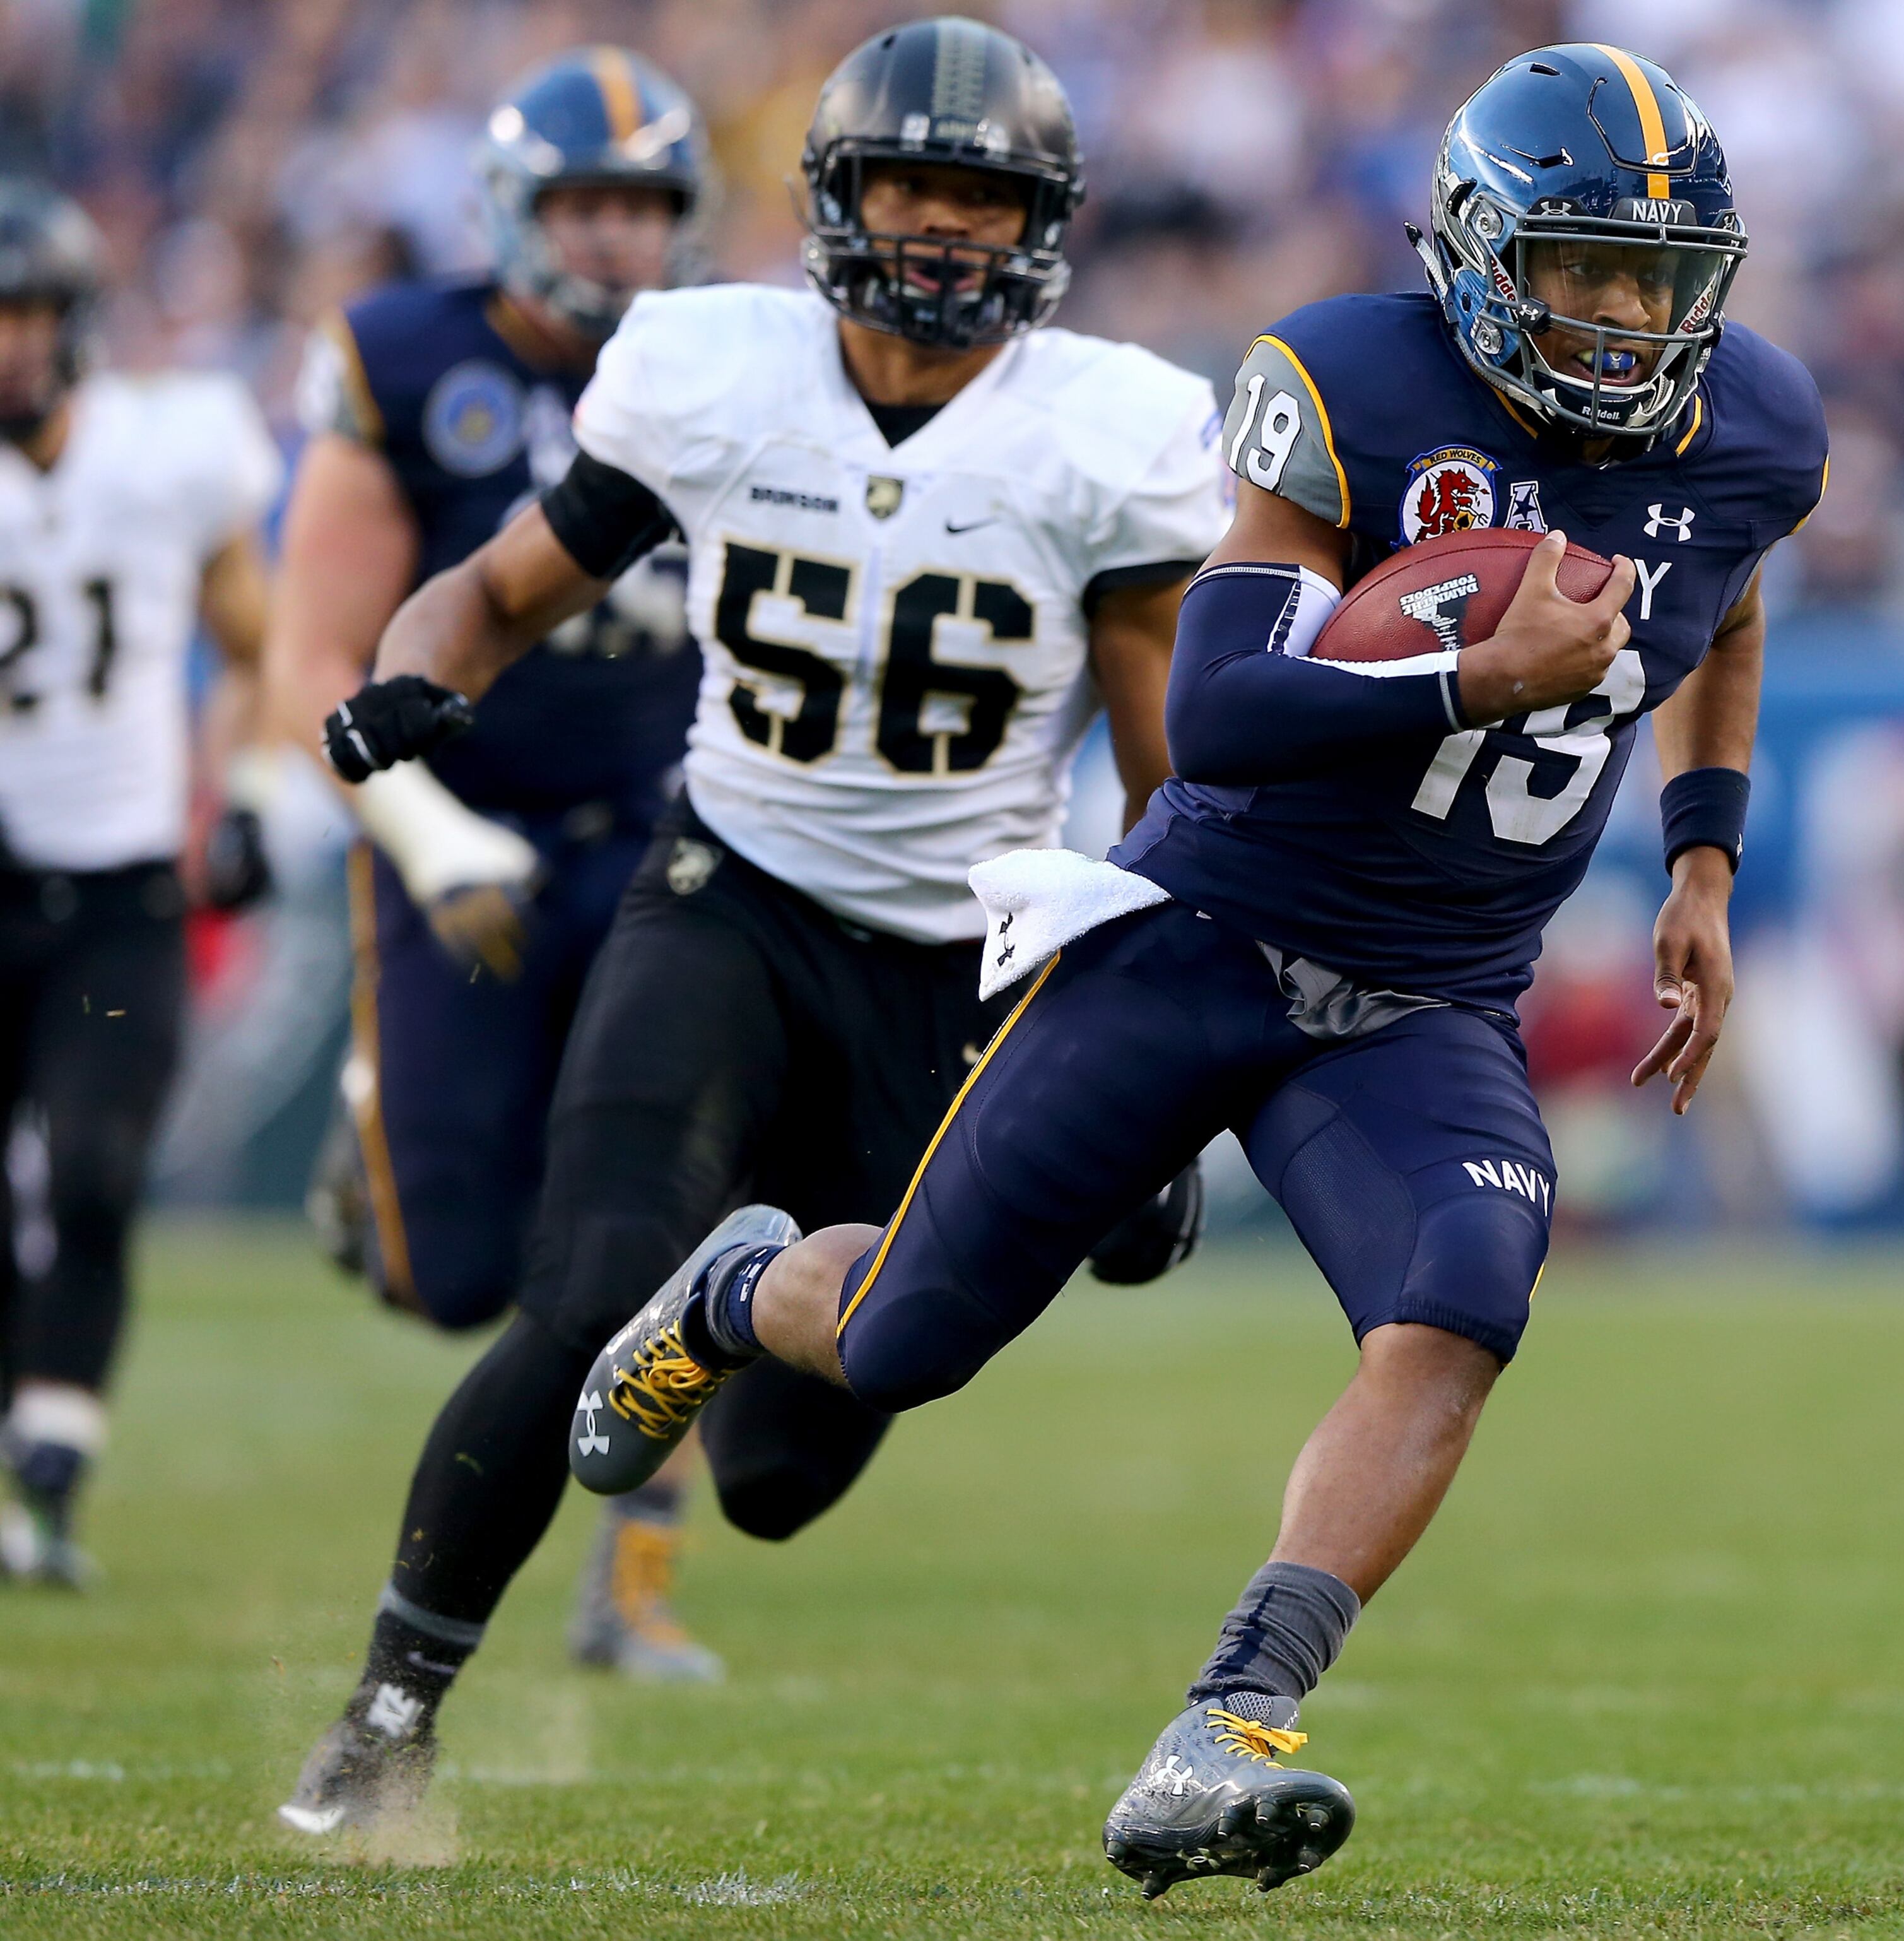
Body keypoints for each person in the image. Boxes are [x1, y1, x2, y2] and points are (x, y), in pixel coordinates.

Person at [563, 43, 1827, 1896]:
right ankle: (745, 1283)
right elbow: (1222, 709)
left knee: (1467, 1294)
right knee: (905, 1338)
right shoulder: (1353, 383)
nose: (1628, 322)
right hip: (1203, 935)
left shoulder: (1754, 427)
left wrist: (1702, 854)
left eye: (1659, 279)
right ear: (1482, 256)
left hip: (1428, 993)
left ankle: (1226, 1724)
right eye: (1584, 270)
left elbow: (1730, 598)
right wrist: (1477, 677)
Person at [279, 16, 1221, 1837]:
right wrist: (413, 682)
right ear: (837, 197)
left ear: (1044, 221)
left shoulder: (1111, 432)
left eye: (985, 198)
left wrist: (1152, 1074)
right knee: (574, 1296)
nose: (946, 229)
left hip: (955, 963)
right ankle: (385, 1715)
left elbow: (1165, 789)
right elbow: (495, 589)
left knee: (790, 1470)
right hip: (727, 895)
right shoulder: (718, 371)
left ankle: (724, 1300)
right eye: (913, 187)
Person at [265, 49, 721, 1680]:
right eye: (584, 204)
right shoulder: (406, 358)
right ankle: (374, 1144)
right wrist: (428, 828)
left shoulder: (737, 360)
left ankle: (637, 1575)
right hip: (459, 832)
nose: (613, 237)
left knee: (662, 1214)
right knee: (456, 1273)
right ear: (513, 211)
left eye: (643, 207)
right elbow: (312, 655)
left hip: (670, 837)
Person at [0, 180, 282, 1586]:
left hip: (124, 889)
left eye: (25, 315)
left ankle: (53, 1462)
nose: (7, 345)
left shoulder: (170, 452)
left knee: (99, 1169)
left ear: (74, 325)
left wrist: (237, 789)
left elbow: (253, 642)